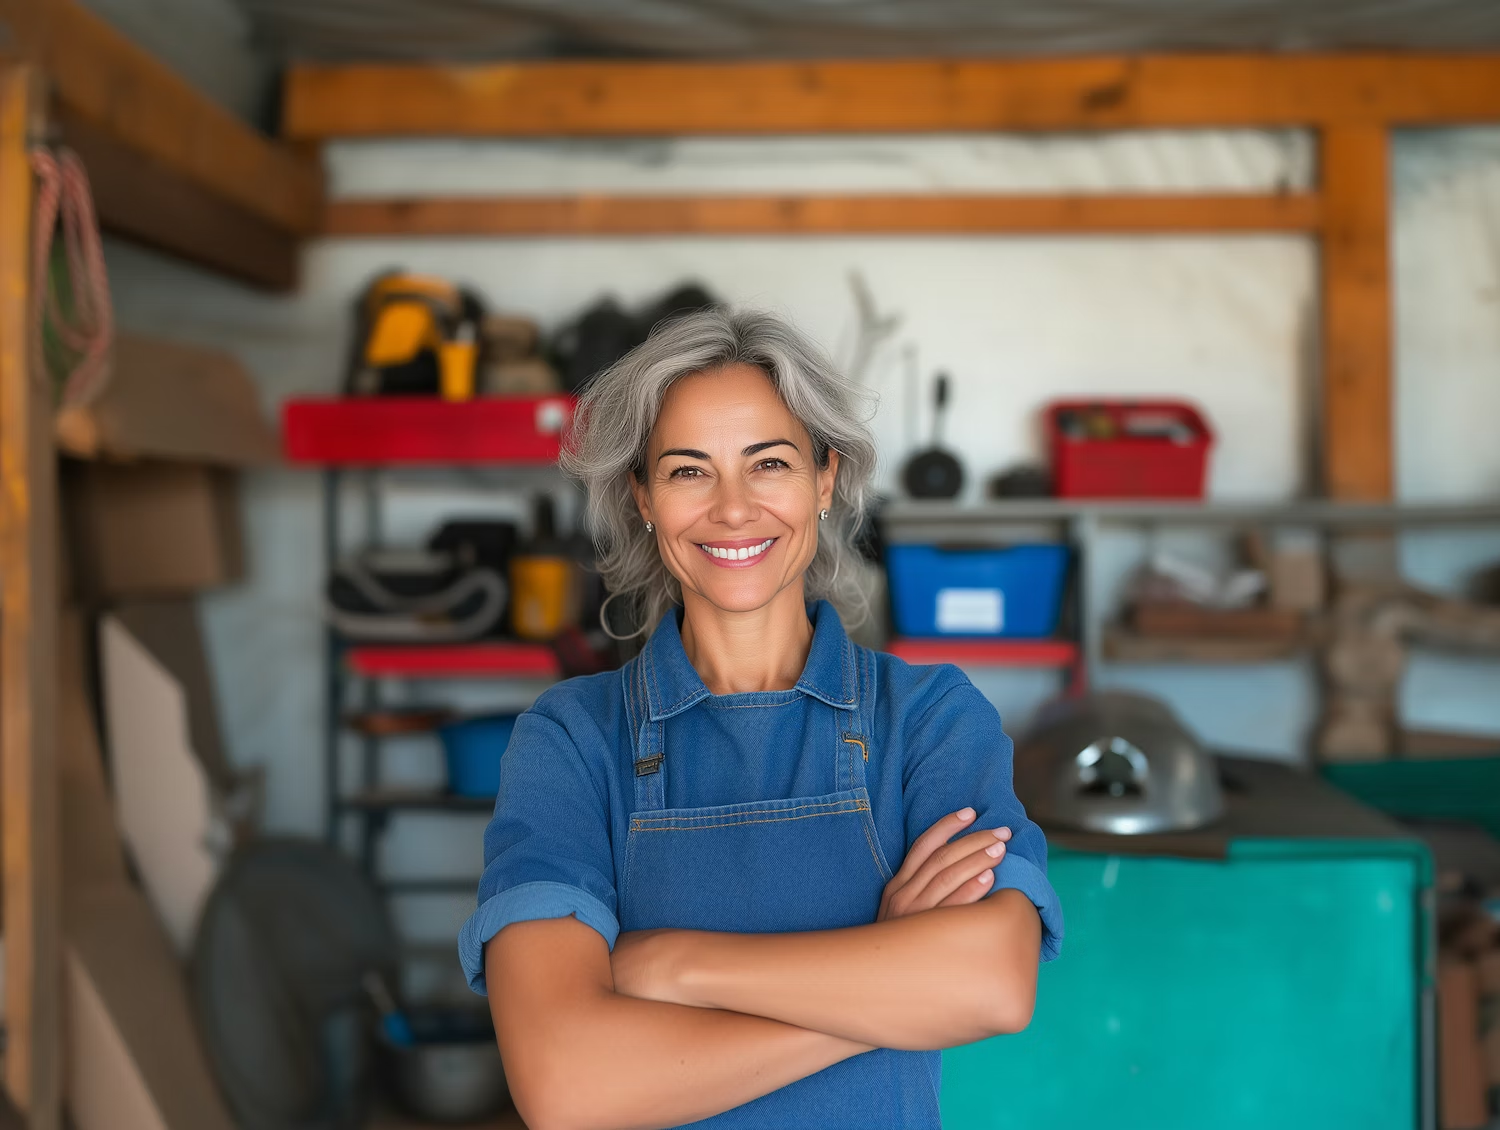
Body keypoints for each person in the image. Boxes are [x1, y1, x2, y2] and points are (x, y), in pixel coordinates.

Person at [458, 308, 1062, 1130]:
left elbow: (990, 984)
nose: (733, 509)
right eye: (687, 471)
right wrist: (881, 988)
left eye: (768, 463)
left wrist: (673, 963)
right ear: (642, 497)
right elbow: (570, 1089)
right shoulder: (571, 741)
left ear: (824, 479)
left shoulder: (928, 720)